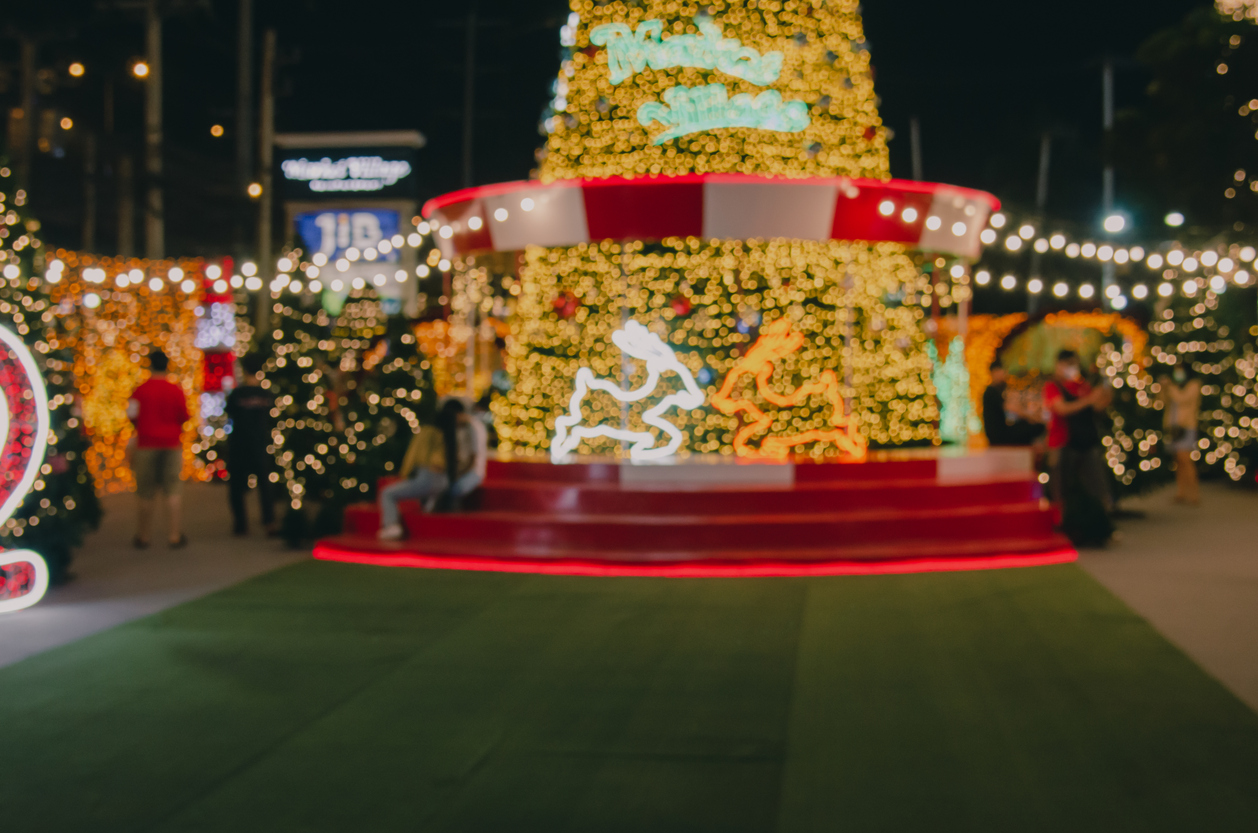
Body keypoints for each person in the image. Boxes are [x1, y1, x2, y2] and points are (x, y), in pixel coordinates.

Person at [1044, 349, 1113, 545]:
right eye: (1066, 364)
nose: (1070, 368)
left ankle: (1099, 526)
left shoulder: (1081, 385)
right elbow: (1061, 409)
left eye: (1072, 364)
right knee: (1061, 487)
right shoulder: (1053, 386)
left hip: (1085, 442)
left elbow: (1097, 407)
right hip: (1062, 442)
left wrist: (1105, 395)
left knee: (1095, 484)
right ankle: (1061, 527)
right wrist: (1088, 401)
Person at [127, 349, 190, 549]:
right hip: (171, 444)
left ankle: (143, 536)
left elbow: (131, 416)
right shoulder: (176, 390)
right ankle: (174, 535)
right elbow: (184, 416)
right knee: (172, 489)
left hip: (146, 444)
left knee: (145, 491)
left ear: (149, 365)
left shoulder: (140, 390)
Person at [377, 398, 465, 540]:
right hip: (443, 481)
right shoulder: (449, 437)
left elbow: (414, 456)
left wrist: (405, 473)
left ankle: (391, 526)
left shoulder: (427, 432)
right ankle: (431, 501)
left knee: (387, 493)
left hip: (428, 477)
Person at [225, 353, 277, 535]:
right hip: (259, 444)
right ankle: (269, 522)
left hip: (239, 444)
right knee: (264, 485)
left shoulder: (237, 394)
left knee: (236, 487)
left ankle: (241, 524)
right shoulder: (266, 395)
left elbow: (229, 413)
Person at [1159, 364, 1202, 505]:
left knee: (1185, 459)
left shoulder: (1193, 385)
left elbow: (1182, 399)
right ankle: (1181, 491)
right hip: (1173, 427)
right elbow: (1164, 401)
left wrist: (1170, 387)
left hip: (1186, 427)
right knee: (1178, 460)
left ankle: (1194, 493)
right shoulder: (1173, 387)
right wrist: (1163, 388)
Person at [983, 361, 1046, 448]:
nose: (1004, 374)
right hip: (999, 435)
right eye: (1001, 371)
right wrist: (1030, 416)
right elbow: (1010, 408)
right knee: (1037, 427)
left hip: (998, 433)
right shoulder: (991, 391)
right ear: (994, 372)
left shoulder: (994, 390)